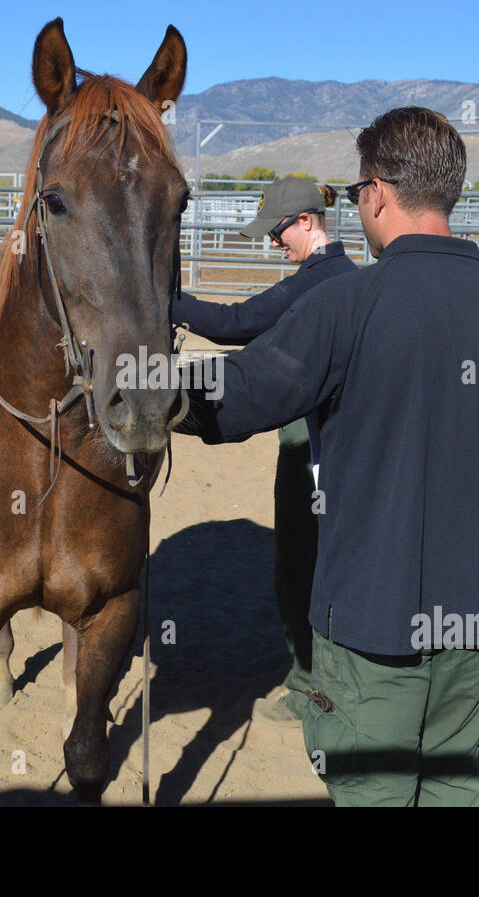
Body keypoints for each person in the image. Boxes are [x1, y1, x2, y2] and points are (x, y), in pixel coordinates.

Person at [177, 106, 479, 806]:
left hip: (369, 628)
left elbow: (233, 399)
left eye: (359, 191)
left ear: (379, 192)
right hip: (476, 626)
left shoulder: (348, 306)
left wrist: (137, 386)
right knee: (451, 792)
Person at [171, 176, 356, 724]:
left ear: (307, 222)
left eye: (278, 232)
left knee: (299, 562)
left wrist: (168, 303)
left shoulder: (319, 282)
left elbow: (238, 324)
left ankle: (308, 688)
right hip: (332, 436)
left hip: (310, 440)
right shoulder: (339, 276)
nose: (275, 243)